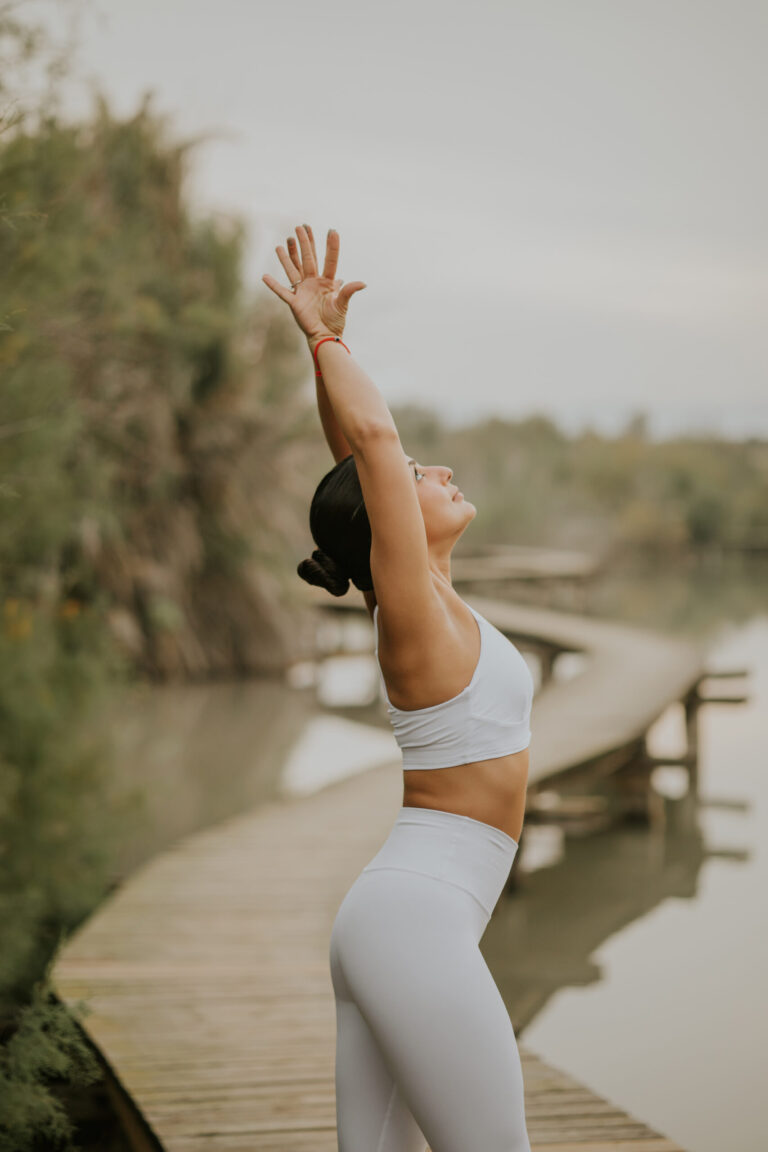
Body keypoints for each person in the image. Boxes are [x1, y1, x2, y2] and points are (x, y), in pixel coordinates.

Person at [263, 224, 533, 1152]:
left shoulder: (425, 601)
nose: (438, 469)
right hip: (416, 922)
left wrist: (327, 352)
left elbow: (359, 451)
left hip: (396, 917)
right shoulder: (410, 615)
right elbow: (374, 444)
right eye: (418, 475)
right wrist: (321, 336)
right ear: (386, 522)